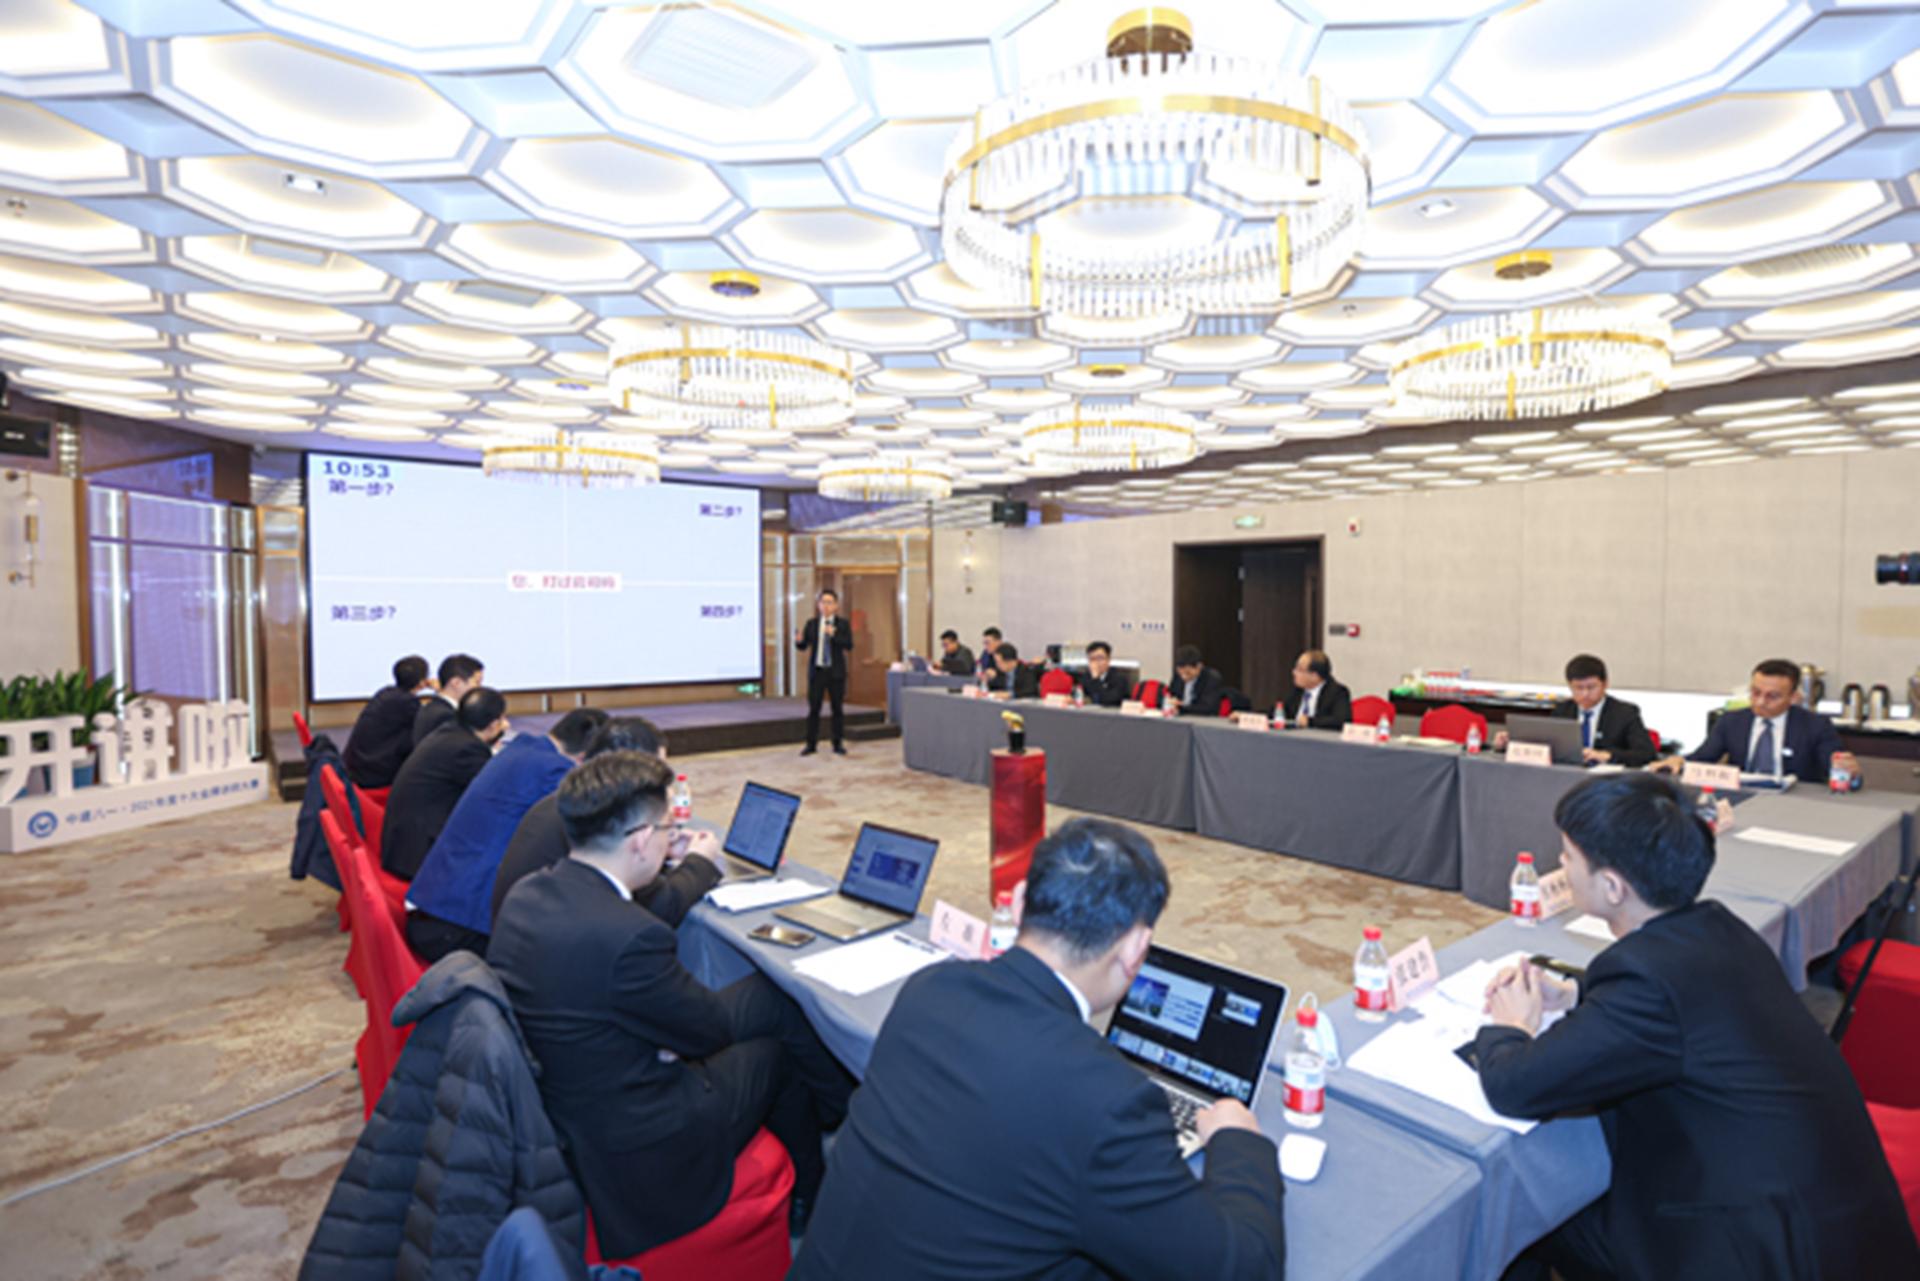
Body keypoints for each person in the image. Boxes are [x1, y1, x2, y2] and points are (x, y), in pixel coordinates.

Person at [790, 818, 1286, 1281]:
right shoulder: (1109, 1100)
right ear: (1137, 948)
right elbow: (1241, 1268)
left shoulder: (931, 988)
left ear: (1021, 901)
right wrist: (1236, 1140)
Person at [1474, 772, 1918, 1281]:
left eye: (1569, 856)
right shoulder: (1719, 928)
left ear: (1613, 886)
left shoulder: (1646, 979)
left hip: (1759, 1248)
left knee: (1527, 1214)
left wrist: (1511, 1025)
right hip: (1831, 1213)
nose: (1561, 865)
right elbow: (1673, 1006)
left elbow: (1514, 1087)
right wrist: (1575, 994)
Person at [489, 752, 854, 1256]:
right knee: (773, 1055)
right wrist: (667, 1042)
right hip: (643, 1146)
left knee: (768, 998)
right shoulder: (629, 936)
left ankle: (835, 1121)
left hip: (568, 1103)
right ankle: (812, 1197)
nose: (671, 838)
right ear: (640, 840)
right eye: (667, 828)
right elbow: (707, 1034)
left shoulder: (528, 893)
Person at [402, 707, 608, 962]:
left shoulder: (520, 748)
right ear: (585, 758)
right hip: (459, 928)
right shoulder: (556, 772)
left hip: (435, 908)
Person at [489, 716, 717, 929]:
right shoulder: (603, 816)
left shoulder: (570, 802)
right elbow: (662, 906)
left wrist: (660, 843)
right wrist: (699, 860)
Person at [1651, 658, 1861, 786]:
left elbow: (1836, 771)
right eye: (1755, 692)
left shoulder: (1815, 726)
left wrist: (1849, 771)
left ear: (1793, 698)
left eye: (1772, 696)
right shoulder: (1732, 721)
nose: (1760, 702)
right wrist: (1679, 762)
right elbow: (1703, 758)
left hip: (1796, 802)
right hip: (1742, 795)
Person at [381, 687, 509, 881]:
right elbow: (496, 794)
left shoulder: (452, 732)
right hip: (418, 855)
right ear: (493, 725)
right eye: (503, 719)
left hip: (404, 840)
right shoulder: (467, 749)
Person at [1492, 654, 1656, 767]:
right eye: (1578, 688)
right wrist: (1509, 744)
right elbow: (1544, 748)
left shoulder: (1625, 713)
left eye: (1591, 687)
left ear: (1605, 684)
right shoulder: (1563, 710)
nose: (1585, 694)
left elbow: (1646, 754)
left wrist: (1608, 756)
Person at [341, 655, 431, 789]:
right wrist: (441, 691)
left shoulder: (386, 693)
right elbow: (430, 723)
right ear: (422, 682)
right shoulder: (408, 703)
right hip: (373, 776)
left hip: (356, 767)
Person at [796, 588, 854, 756]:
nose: (826, 606)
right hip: (818, 672)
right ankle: (811, 744)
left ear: (836, 606)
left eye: (829, 602)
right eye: (823, 602)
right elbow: (804, 646)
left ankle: (837, 743)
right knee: (814, 709)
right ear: (818, 605)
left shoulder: (842, 624)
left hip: (836, 673)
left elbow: (849, 645)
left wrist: (834, 635)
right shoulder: (812, 624)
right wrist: (798, 641)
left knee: (837, 709)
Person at [412, 653, 486, 747]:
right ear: (456, 683)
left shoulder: (434, 708)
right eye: (477, 682)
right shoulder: (445, 716)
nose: (479, 688)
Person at [1280, 649, 1352, 729]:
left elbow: (1341, 721)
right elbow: (1281, 711)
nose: (1294, 672)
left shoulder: (1337, 692)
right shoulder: (1297, 691)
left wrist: (1310, 722)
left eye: (1299, 670)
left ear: (1314, 676)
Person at [1167, 644, 1225, 716]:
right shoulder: (1178, 675)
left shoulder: (1212, 679)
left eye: (1188, 673)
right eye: (1181, 673)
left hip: (1202, 719)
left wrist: (1182, 706)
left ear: (1199, 666)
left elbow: (1208, 708)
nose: (1184, 677)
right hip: (1179, 717)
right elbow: (1171, 694)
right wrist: (1172, 701)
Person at [1076, 640, 1131, 707]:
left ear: (1109, 660)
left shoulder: (1120, 679)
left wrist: (1096, 679)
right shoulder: (1086, 677)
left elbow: (1108, 701)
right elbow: (1079, 696)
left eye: (1100, 658)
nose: (1096, 662)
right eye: (1092, 659)